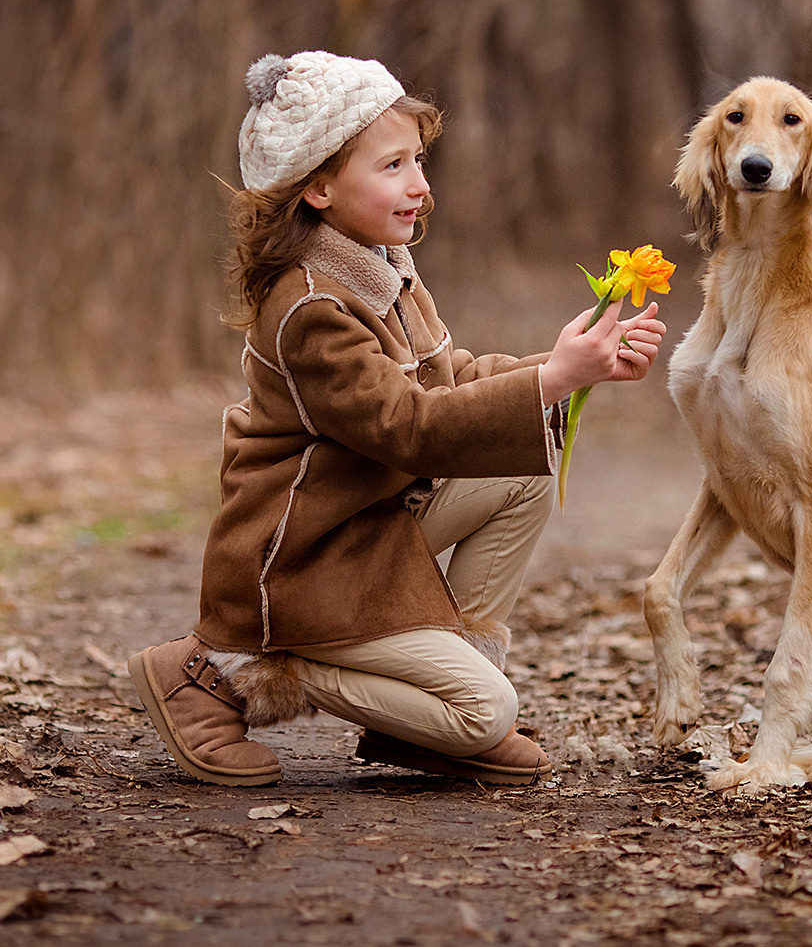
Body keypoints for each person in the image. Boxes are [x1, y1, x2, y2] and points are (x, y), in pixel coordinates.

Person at [128, 50, 665, 787]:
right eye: (392, 167)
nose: (419, 185)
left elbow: (451, 380)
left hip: (364, 527)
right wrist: (549, 379)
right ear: (317, 187)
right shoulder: (312, 305)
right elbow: (409, 426)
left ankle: (426, 717)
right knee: (487, 712)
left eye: (418, 159)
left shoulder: (383, 264)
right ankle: (216, 673)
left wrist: (567, 369)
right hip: (303, 561)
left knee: (522, 470)